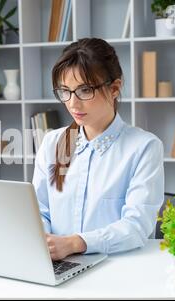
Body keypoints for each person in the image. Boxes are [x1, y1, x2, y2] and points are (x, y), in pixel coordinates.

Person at [32, 38, 165, 261]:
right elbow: (38, 209)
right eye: (65, 91)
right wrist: (45, 241)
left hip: (116, 269)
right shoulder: (53, 142)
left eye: (84, 90)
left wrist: (75, 243)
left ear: (114, 88)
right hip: (56, 265)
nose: (73, 104)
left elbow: (137, 226)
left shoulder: (144, 148)